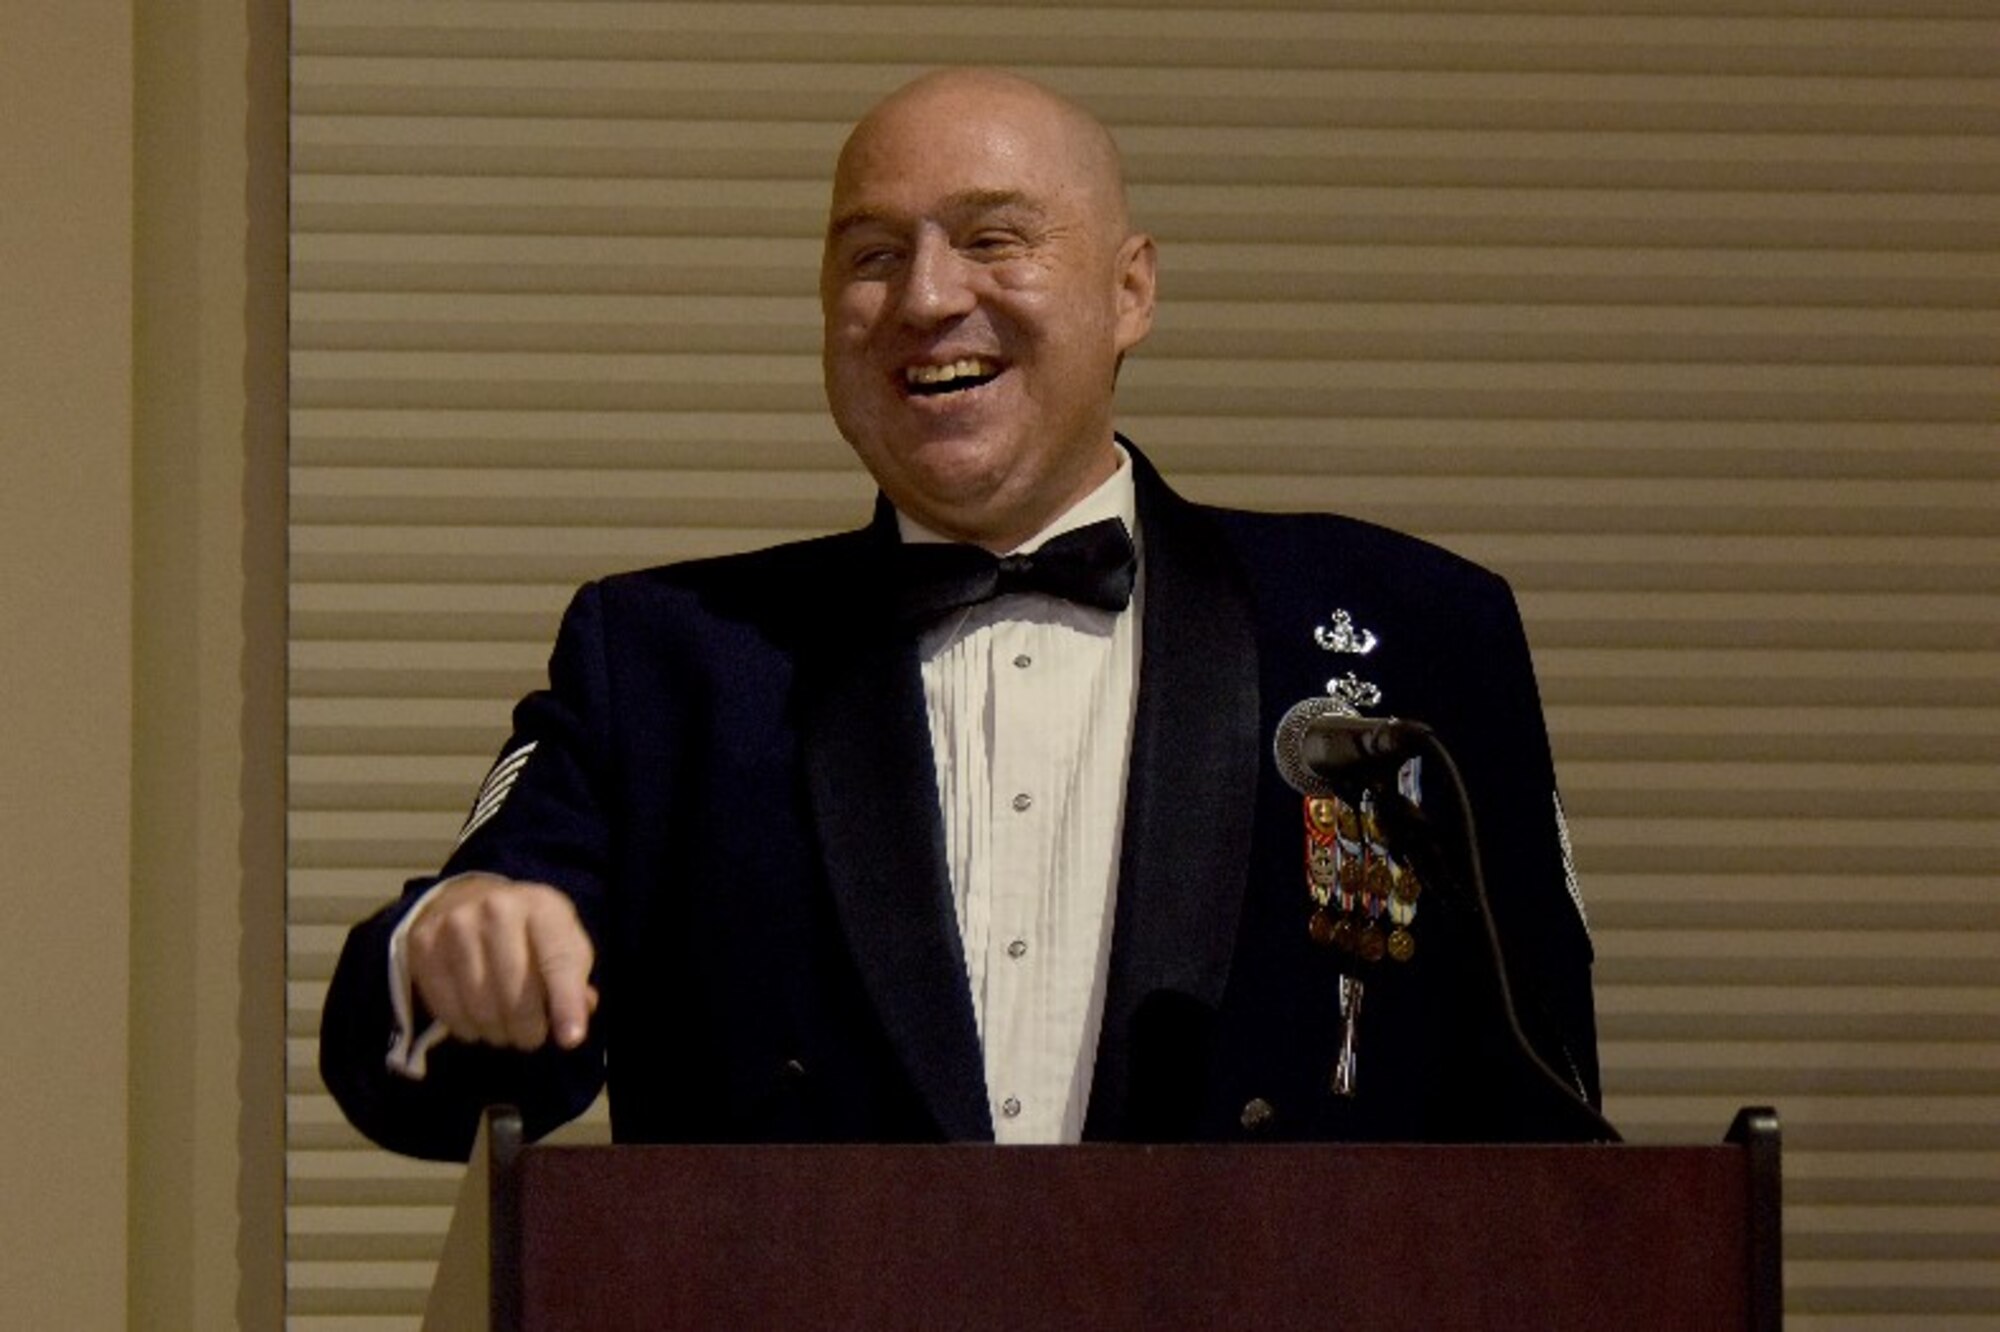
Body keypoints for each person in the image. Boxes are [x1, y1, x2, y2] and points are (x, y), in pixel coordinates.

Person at [320, 68, 1607, 1162]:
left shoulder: (1417, 630)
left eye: (994, 239)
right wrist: (447, 944)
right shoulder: (667, 660)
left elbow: (1548, 1132)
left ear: (1129, 292)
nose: (928, 298)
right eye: (874, 255)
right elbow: (428, 1080)